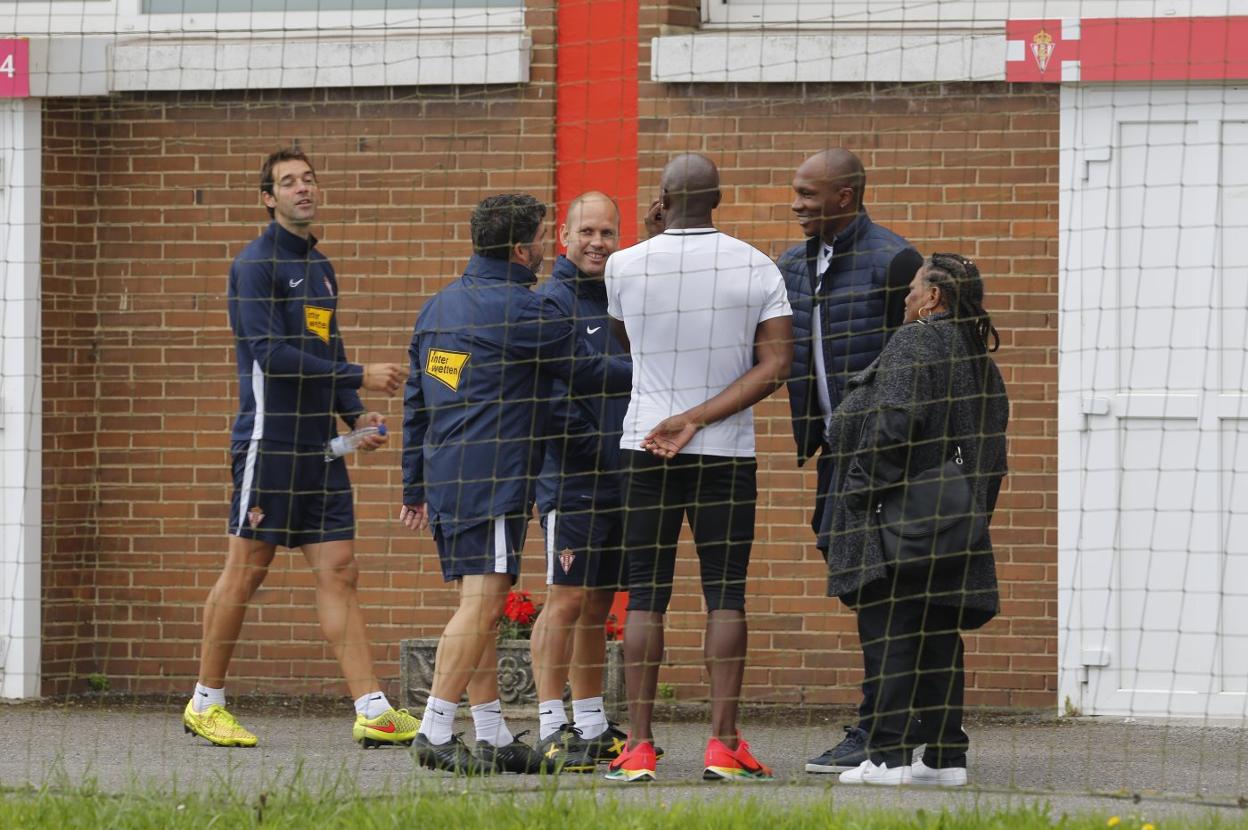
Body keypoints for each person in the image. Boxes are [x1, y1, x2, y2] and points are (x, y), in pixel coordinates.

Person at [183, 148, 418, 749]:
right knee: (248, 569)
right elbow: (273, 356)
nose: (302, 188)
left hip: (322, 448)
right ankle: (205, 703)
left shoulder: (322, 268)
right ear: (268, 198)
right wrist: (362, 374)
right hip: (271, 443)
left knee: (340, 571)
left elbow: (327, 351)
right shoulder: (254, 265)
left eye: (309, 179)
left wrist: (353, 413)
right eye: (288, 182)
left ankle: (372, 708)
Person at [400, 193, 632, 775]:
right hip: (494, 478)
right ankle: (434, 727)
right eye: (543, 237)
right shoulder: (524, 311)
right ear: (522, 248)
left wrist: (413, 486)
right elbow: (591, 372)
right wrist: (667, 370)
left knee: (474, 605)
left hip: (444, 476)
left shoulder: (438, 307)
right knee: (483, 604)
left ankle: (492, 734)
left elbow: (416, 402)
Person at [603, 153, 793, 783]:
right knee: (726, 595)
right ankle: (723, 744)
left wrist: (677, 413)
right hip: (726, 452)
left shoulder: (622, 264)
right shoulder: (758, 264)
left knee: (646, 594)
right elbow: (775, 366)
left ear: (662, 198)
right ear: (718, 198)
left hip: (645, 443)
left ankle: (638, 746)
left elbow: (630, 343)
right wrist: (701, 417)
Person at [823, 253, 1008, 786]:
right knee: (939, 638)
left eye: (912, 289)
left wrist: (857, 496)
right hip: (955, 528)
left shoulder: (917, 341)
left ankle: (889, 757)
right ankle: (945, 759)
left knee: (892, 632)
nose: (904, 298)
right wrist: (969, 518)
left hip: (898, 524)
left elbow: (894, 427)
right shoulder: (979, 360)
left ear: (933, 297)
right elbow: (994, 456)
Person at [776, 148, 923, 775]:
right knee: (861, 584)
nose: (797, 204)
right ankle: (898, 719)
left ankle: (883, 727)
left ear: (846, 196)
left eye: (809, 194)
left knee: (885, 588)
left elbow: (913, 366)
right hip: (837, 455)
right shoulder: (791, 264)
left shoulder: (896, 260)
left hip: (893, 461)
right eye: (796, 192)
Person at [529, 192, 633, 766]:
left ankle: (590, 723)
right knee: (565, 600)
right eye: (587, 231)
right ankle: (550, 726)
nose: (597, 242)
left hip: (622, 477)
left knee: (599, 604)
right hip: (571, 480)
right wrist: (595, 448)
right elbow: (550, 399)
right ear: (565, 235)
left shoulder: (622, 301)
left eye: (608, 233)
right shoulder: (549, 302)